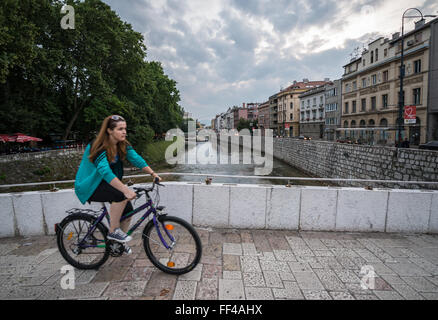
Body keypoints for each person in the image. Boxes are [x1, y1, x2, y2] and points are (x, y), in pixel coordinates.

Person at [74, 115, 161, 253]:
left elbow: (136, 159)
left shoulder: (122, 144)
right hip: (89, 186)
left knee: (128, 212)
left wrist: (153, 173)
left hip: (106, 183)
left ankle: (117, 244)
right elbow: (105, 172)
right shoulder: (98, 146)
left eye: (125, 128)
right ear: (109, 130)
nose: (124, 132)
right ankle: (113, 230)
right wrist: (125, 189)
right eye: (120, 129)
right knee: (120, 195)